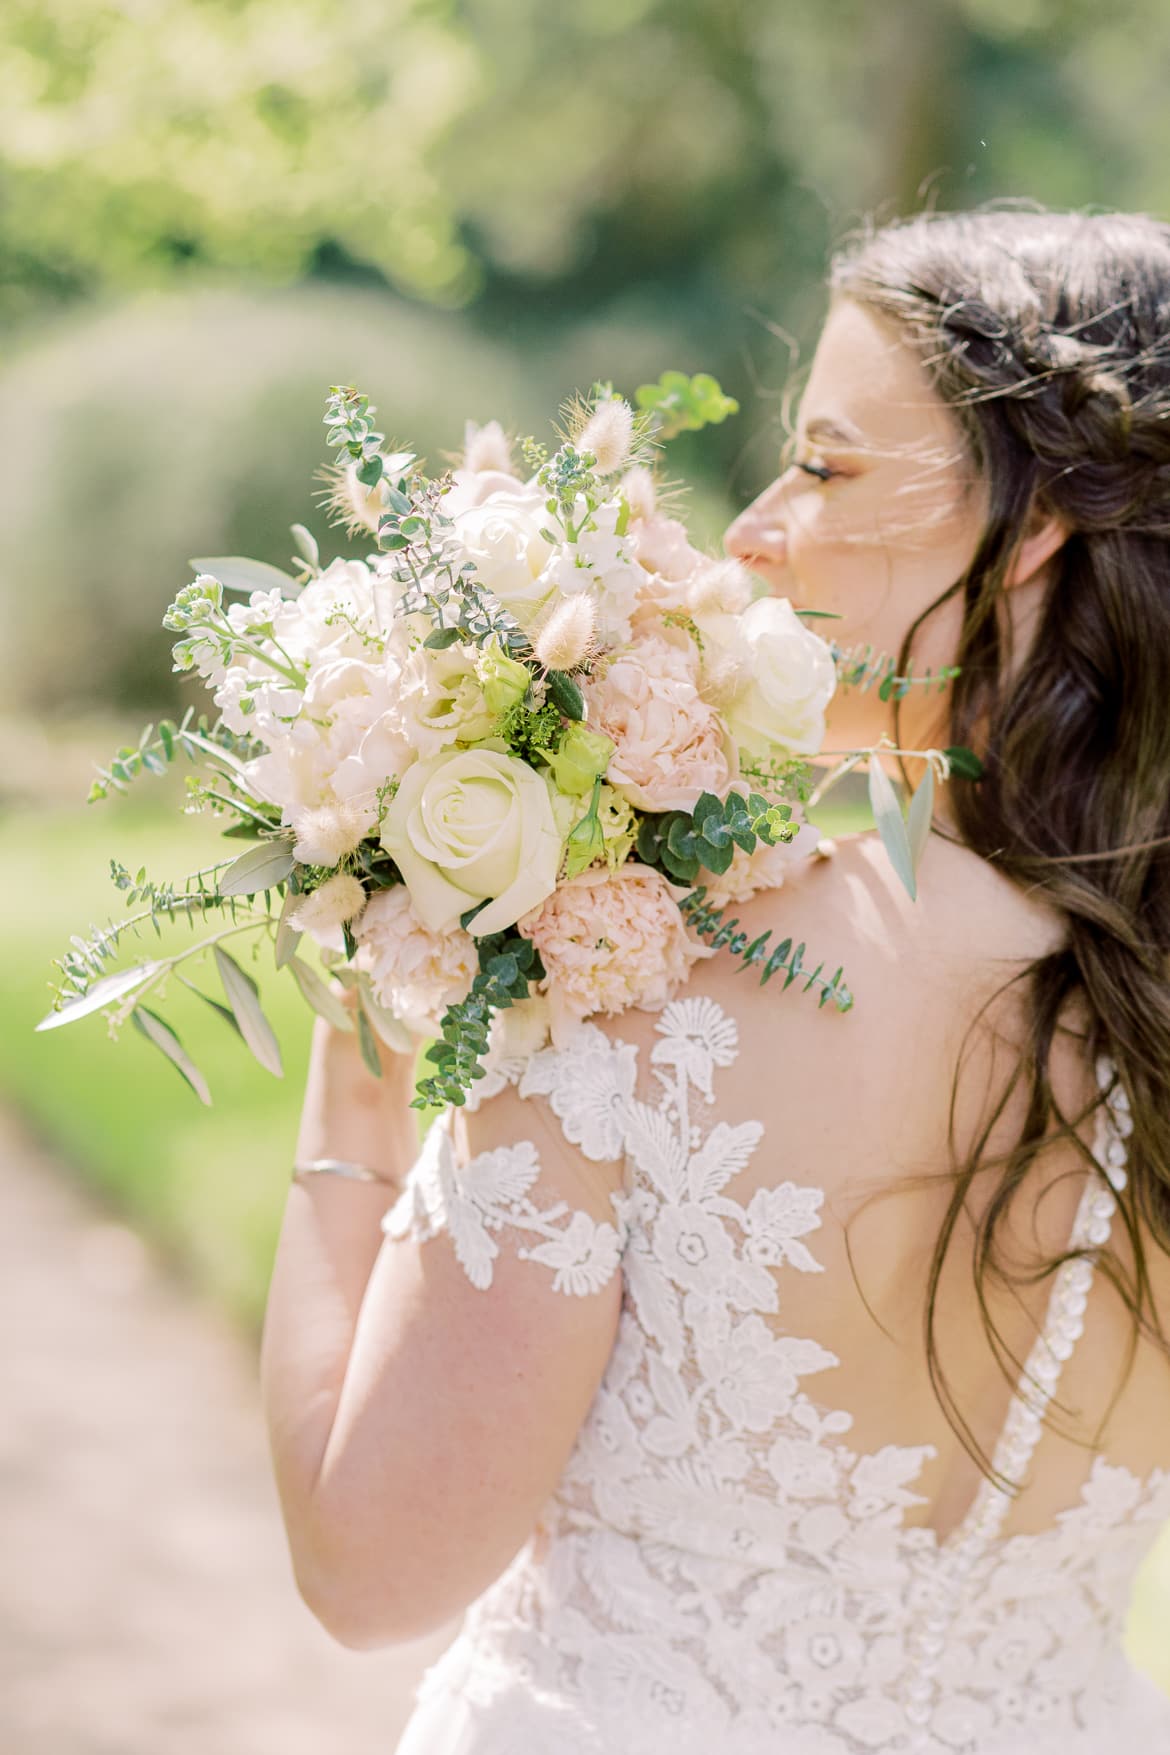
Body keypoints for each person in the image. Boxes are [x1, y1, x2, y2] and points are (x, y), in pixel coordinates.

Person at [259, 206, 1170, 1753]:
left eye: (824, 466)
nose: (751, 530)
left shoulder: (639, 963)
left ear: (1028, 534)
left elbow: (369, 1564)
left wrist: (356, 1073)